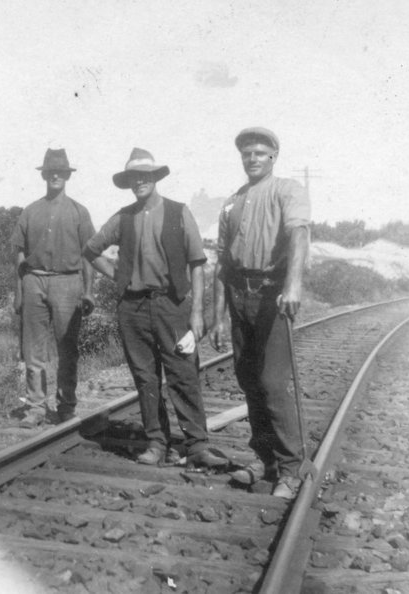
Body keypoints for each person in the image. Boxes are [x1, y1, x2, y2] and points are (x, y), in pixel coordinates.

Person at [84, 148, 227, 468]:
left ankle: (196, 444)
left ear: (154, 178)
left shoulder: (179, 213)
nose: (139, 182)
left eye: (144, 176)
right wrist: (119, 278)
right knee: (145, 378)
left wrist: (196, 313)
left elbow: (197, 264)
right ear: (128, 183)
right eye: (133, 178)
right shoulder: (123, 216)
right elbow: (91, 249)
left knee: (183, 374)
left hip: (172, 306)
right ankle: (157, 442)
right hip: (132, 309)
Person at [209, 127, 311, 499]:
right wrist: (218, 315)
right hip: (240, 297)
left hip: (273, 296)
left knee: (271, 384)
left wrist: (293, 285)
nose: (252, 159)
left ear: (273, 157)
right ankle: (264, 458)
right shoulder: (233, 202)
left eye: (259, 153)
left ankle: (291, 468)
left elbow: (299, 234)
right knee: (249, 380)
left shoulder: (287, 191)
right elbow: (222, 262)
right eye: (246, 154)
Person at [10, 148, 96, 427]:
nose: (56, 176)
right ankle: (35, 405)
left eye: (61, 172)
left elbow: (89, 254)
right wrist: (21, 289)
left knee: (67, 346)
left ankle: (66, 405)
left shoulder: (79, 212)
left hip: (68, 281)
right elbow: (18, 253)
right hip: (34, 279)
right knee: (33, 348)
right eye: (51, 172)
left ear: (67, 176)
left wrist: (88, 290)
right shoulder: (30, 211)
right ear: (45, 175)